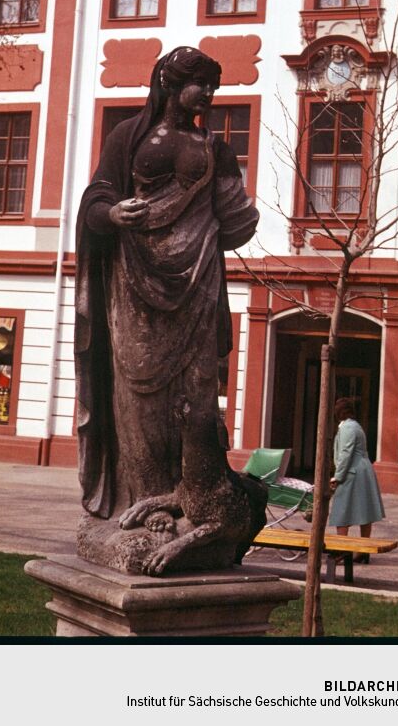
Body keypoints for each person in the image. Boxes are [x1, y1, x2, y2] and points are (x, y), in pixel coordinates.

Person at [74, 47, 259, 566]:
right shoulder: (128, 137)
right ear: (171, 83)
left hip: (197, 277)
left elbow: (231, 219)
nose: (208, 96)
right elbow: (95, 198)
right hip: (134, 275)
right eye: (201, 85)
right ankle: (144, 499)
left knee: (196, 394)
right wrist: (113, 211)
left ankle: (192, 497)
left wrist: (243, 209)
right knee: (137, 391)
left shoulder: (214, 147)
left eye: (212, 88)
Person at [328, 398, 385, 562]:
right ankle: (363, 550)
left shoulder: (348, 428)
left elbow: (346, 453)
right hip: (362, 470)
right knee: (364, 511)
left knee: (342, 511)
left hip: (353, 471)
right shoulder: (355, 426)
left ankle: (342, 549)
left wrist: (337, 476)